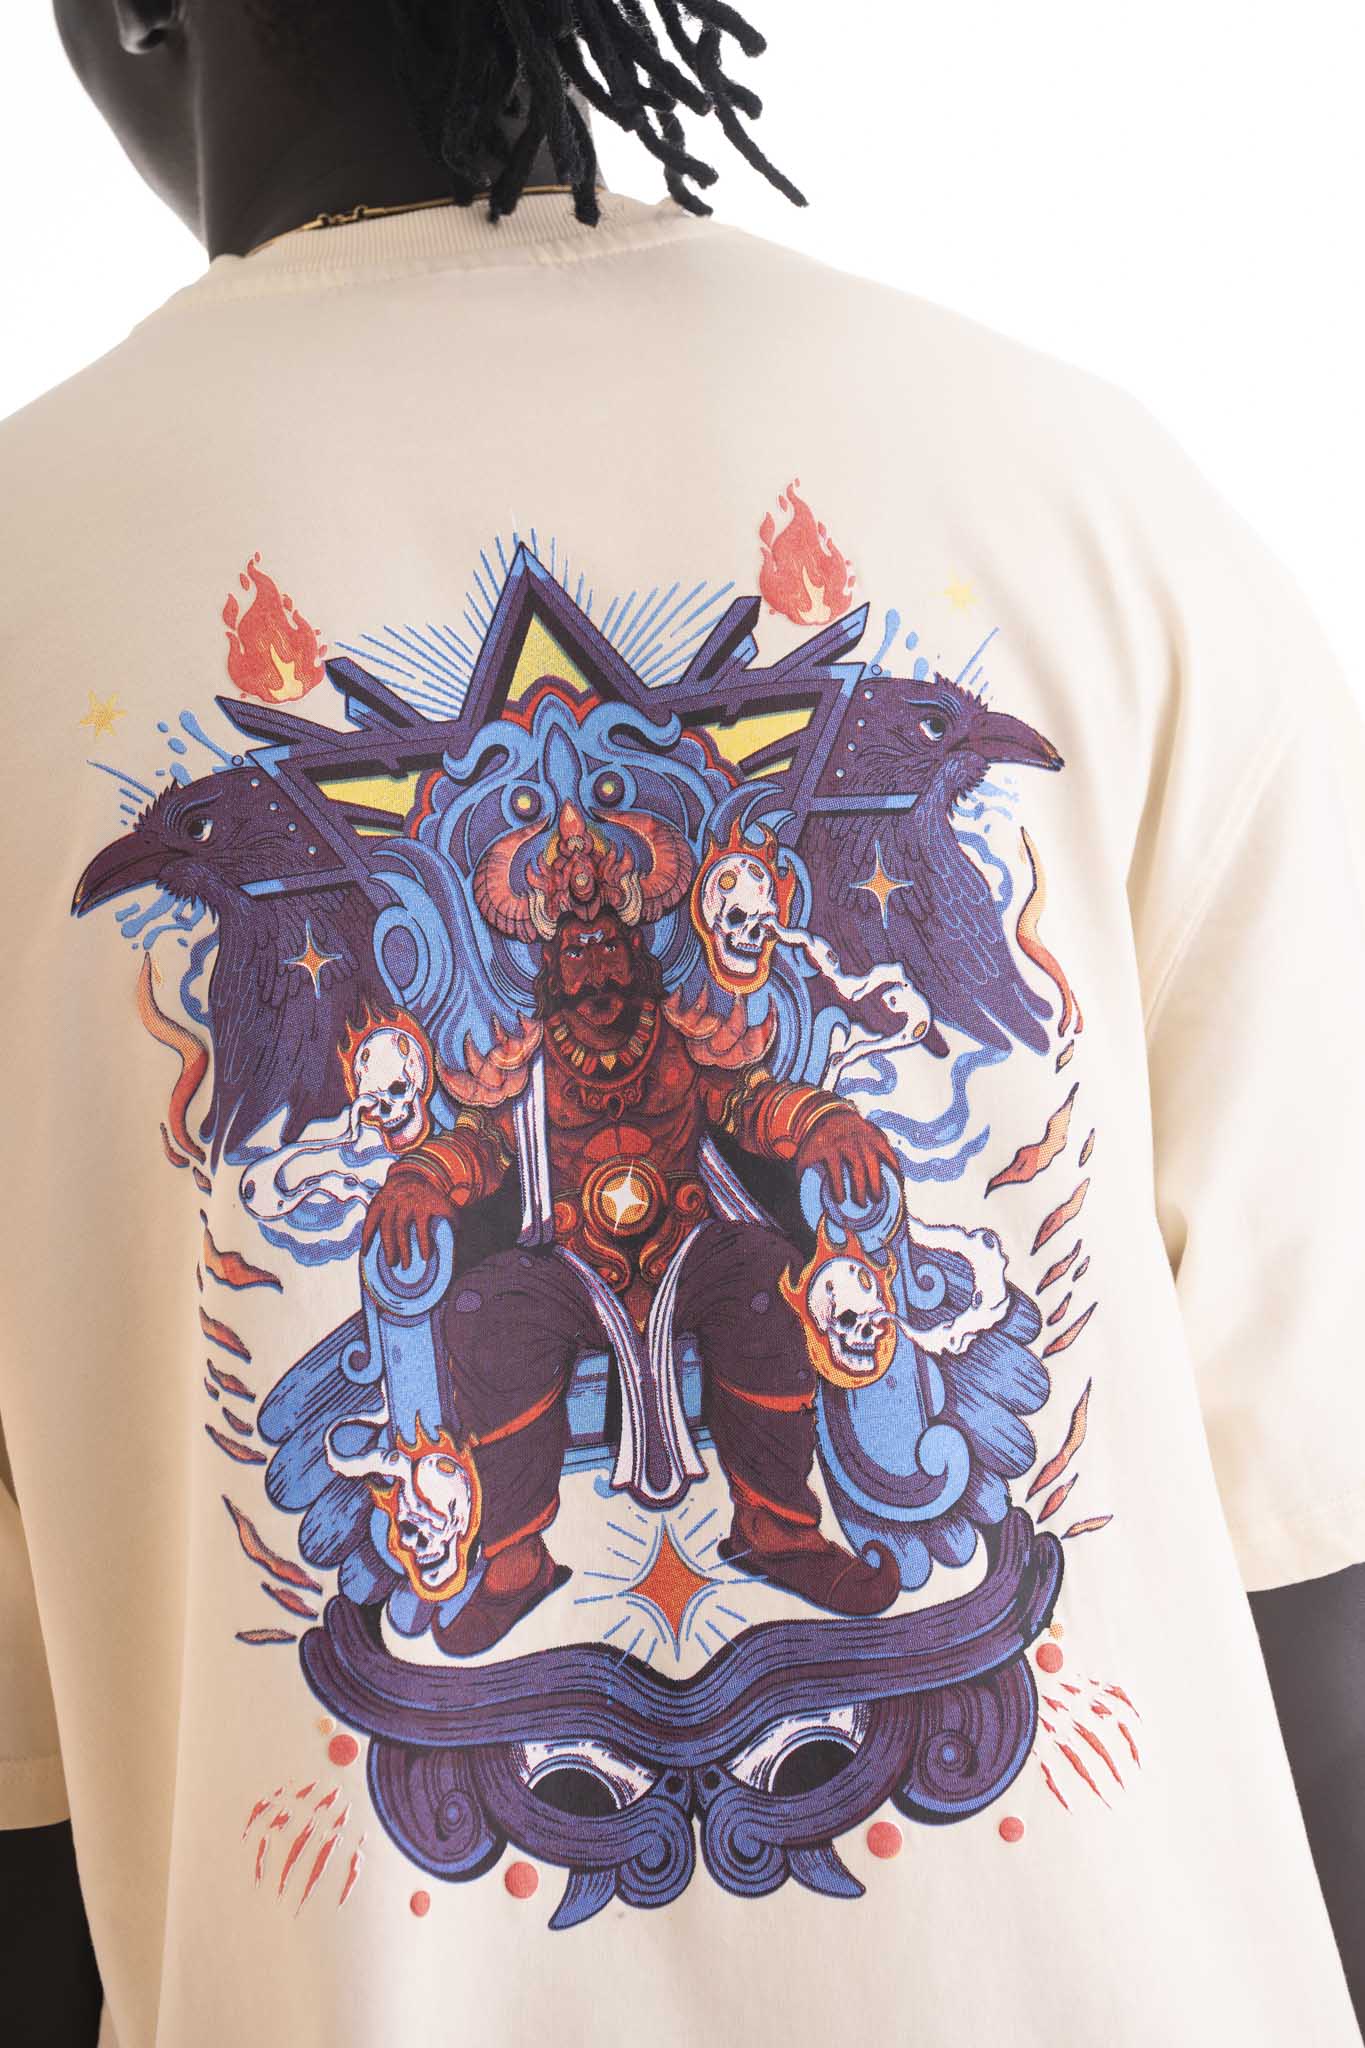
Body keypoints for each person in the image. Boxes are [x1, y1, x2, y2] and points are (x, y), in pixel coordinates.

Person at [1, 5, 1362, 2047]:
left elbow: (24, 1835)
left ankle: (807, 1531)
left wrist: (822, 1152)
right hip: (560, 1267)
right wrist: (426, 1195)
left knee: (782, 1323)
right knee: (478, 1338)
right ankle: (489, 1568)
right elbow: (1320, 1567)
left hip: (707, 1243)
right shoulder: (1096, 501)